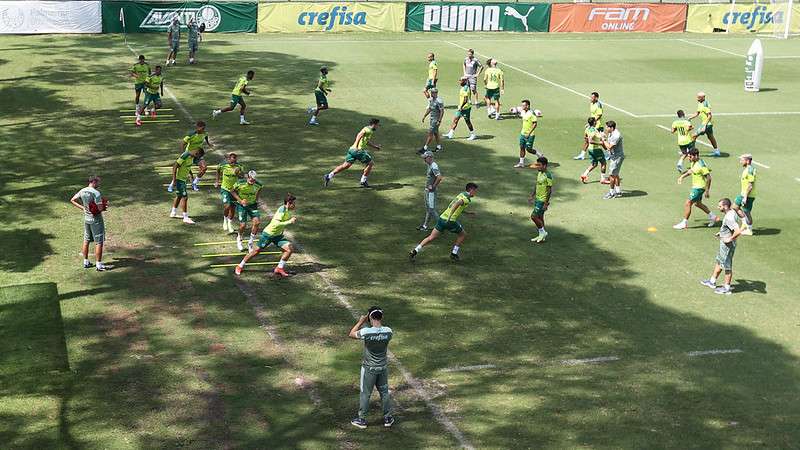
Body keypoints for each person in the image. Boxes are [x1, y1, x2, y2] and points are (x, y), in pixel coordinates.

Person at [348, 306, 394, 430]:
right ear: (381, 317)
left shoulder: (366, 332)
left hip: (369, 368)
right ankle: (388, 418)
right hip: (383, 368)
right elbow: (382, 333)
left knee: (365, 394)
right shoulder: (389, 331)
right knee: (384, 392)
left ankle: (361, 419)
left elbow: (351, 334)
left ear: (370, 317)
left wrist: (360, 321)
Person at [410, 182, 478, 262]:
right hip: (450, 221)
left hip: (442, 219)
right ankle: (454, 253)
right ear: (471, 190)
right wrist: (449, 217)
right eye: (475, 190)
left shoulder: (461, 194)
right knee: (463, 235)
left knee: (431, 237)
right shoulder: (465, 199)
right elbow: (456, 204)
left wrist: (468, 213)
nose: (476, 192)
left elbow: (458, 207)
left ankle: (414, 251)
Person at [235, 193, 297, 278]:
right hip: (268, 234)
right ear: (288, 203)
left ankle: (279, 268)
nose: (294, 205)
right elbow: (276, 224)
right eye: (293, 203)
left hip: (277, 236)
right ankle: (240, 266)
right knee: (256, 251)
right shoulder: (282, 211)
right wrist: (289, 221)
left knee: (289, 249)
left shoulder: (289, 211)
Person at [700, 198, 742, 295]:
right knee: (719, 261)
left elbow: (737, 231)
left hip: (728, 245)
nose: (718, 207)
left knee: (727, 266)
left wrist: (730, 238)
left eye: (720, 206)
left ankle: (727, 287)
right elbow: (729, 228)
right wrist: (722, 233)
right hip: (724, 243)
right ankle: (712, 281)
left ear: (725, 206)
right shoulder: (731, 213)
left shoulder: (729, 217)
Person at [324, 119, 381, 188]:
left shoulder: (368, 130)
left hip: (351, 150)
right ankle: (363, 181)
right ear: (374, 124)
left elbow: (366, 141)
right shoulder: (367, 130)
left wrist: (375, 147)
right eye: (378, 125)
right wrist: (356, 147)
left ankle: (329, 176)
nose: (378, 127)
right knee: (370, 163)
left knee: (346, 165)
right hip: (358, 151)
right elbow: (359, 135)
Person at [69, 176, 110, 271]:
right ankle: (99, 265)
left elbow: (72, 200)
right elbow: (99, 209)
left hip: (87, 219)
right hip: (96, 220)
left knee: (86, 240)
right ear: (94, 182)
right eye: (98, 183)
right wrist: (105, 205)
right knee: (99, 242)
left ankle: (86, 262)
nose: (99, 185)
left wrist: (83, 208)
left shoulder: (82, 190)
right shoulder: (96, 193)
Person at [674, 149, 717, 230]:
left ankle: (684, 223)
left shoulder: (701, 165)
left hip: (699, 188)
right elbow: (691, 171)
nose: (688, 158)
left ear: (696, 156)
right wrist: (682, 177)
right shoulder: (693, 162)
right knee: (698, 204)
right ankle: (713, 216)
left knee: (688, 203)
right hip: (696, 187)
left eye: (690, 157)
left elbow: (709, 178)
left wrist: (707, 191)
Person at [168, 148, 203, 224]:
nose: (197, 158)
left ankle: (173, 213)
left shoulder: (191, 157)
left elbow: (187, 166)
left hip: (183, 179)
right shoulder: (185, 155)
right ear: (196, 153)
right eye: (198, 156)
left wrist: (191, 175)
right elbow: (175, 166)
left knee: (179, 196)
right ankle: (185, 217)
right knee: (185, 197)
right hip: (179, 179)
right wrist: (174, 180)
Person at [231, 171, 263, 252]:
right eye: (251, 179)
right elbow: (232, 191)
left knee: (257, 222)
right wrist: (240, 200)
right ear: (247, 177)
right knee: (243, 225)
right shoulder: (240, 183)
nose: (252, 181)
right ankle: (239, 238)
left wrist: (256, 199)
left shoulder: (258, 185)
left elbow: (259, 190)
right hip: (242, 206)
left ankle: (250, 243)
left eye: (253, 180)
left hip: (252, 205)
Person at [177, 121, 213, 190]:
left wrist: (209, 143)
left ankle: (195, 182)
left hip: (198, 154)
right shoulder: (191, 135)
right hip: (189, 154)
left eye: (204, 128)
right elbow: (182, 144)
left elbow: (206, 137)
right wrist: (183, 154)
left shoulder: (205, 133)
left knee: (204, 168)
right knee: (188, 171)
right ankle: (189, 182)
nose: (203, 130)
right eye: (202, 128)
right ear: (197, 127)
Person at [215, 152, 244, 233]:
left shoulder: (239, 166)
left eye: (234, 161)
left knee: (233, 208)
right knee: (227, 206)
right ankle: (225, 220)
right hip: (225, 189)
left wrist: (238, 174)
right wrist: (217, 181)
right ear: (229, 159)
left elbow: (242, 177)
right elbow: (217, 170)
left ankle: (230, 223)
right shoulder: (222, 165)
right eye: (232, 161)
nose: (233, 162)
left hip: (235, 190)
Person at [528, 157, 553, 243]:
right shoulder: (539, 173)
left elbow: (550, 190)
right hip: (537, 198)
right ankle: (542, 235)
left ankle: (543, 232)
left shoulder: (548, 175)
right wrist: (532, 195)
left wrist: (546, 203)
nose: (537, 167)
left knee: (533, 216)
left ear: (545, 165)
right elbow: (537, 184)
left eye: (539, 165)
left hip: (542, 200)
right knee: (540, 217)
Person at [689, 91, 721, 157]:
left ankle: (692, 153)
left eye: (699, 97)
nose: (697, 98)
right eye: (697, 97)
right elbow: (697, 113)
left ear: (703, 97)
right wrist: (690, 118)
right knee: (710, 137)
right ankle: (717, 151)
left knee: (693, 136)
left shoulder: (705, 104)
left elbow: (710, 115)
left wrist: (704, 126)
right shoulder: (700, 103)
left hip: (706, 124)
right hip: (707, 124)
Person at [418, 151, 443, 231]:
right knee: (429, 209)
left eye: (425, 158)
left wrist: (433, 186)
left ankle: (442, 225)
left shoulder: (434, 166)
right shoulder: (429, 165)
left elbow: (439, 177)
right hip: (427, 191)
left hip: (431, 192)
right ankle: (425, 226)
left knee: (431, 210)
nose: (424, 160)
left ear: (430, 157)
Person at [574, 92, 603, 160]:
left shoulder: (598, 105)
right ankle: (582, 155)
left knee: (601, 140)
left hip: (597, 125)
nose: (591, 98)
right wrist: (589, 123)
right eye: (591, 97)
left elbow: (599, 115)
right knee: (587, 139)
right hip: (592, 124)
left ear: (596, 98)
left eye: (592, 97)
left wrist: (592, 122)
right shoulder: (591, 104)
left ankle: (608, 153)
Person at [513, 99, 542, 168]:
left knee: (529, 149)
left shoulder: (531, 113)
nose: (522, 106)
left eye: (523, 105)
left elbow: (535, 124)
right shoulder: (523, 112)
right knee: (522, 147)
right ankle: (521, 163)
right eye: (522, 105)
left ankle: (539, 155)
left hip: (530, 135)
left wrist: (529, 133)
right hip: (523, 133)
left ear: (528, 106)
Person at [733, 154, 757, 236]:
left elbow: (750, 185)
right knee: (735, 206)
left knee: (747, 212)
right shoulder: (747, 169)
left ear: (747, 161)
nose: (740, 162)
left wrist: (745, 197)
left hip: (748, 195)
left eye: (742, 160)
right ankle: (744, 223)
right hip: (743, 194)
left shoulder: (750, 170)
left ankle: (749, 230)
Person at [579, 117, 607, 184]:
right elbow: (590, 141)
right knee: (603, 163)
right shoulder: (593, 130)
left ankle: (584, 174)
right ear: (594, 122)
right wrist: (600, 143)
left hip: (590, 149)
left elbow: (585, 137)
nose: (596, 122)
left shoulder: (587, 128)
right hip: (596, 149)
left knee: (594, 164)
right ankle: (603, 179)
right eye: (595, 121)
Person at [601, 120, 624, 199]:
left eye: (607, 127)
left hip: (617, 157)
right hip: (614, 156)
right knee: (616, 174)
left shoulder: (616, 135)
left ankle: (611, 193)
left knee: (611, 175)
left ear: (611, 127)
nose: (606, 128)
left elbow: (609, 147)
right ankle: (618, 192)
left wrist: (603, 140)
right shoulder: (611, 133)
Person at [419, 88, 444, 153]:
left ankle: (425, 148)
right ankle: (439, 147)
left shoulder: (439, 101)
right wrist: (424, 116)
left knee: (430, 133)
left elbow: (442, 111)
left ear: (435, 93)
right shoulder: (432, 100)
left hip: (435, 120)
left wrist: (439, 121)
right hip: (432, 119)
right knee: (436, 133)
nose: (431, 93)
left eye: (432, 92)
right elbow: (430, 108)